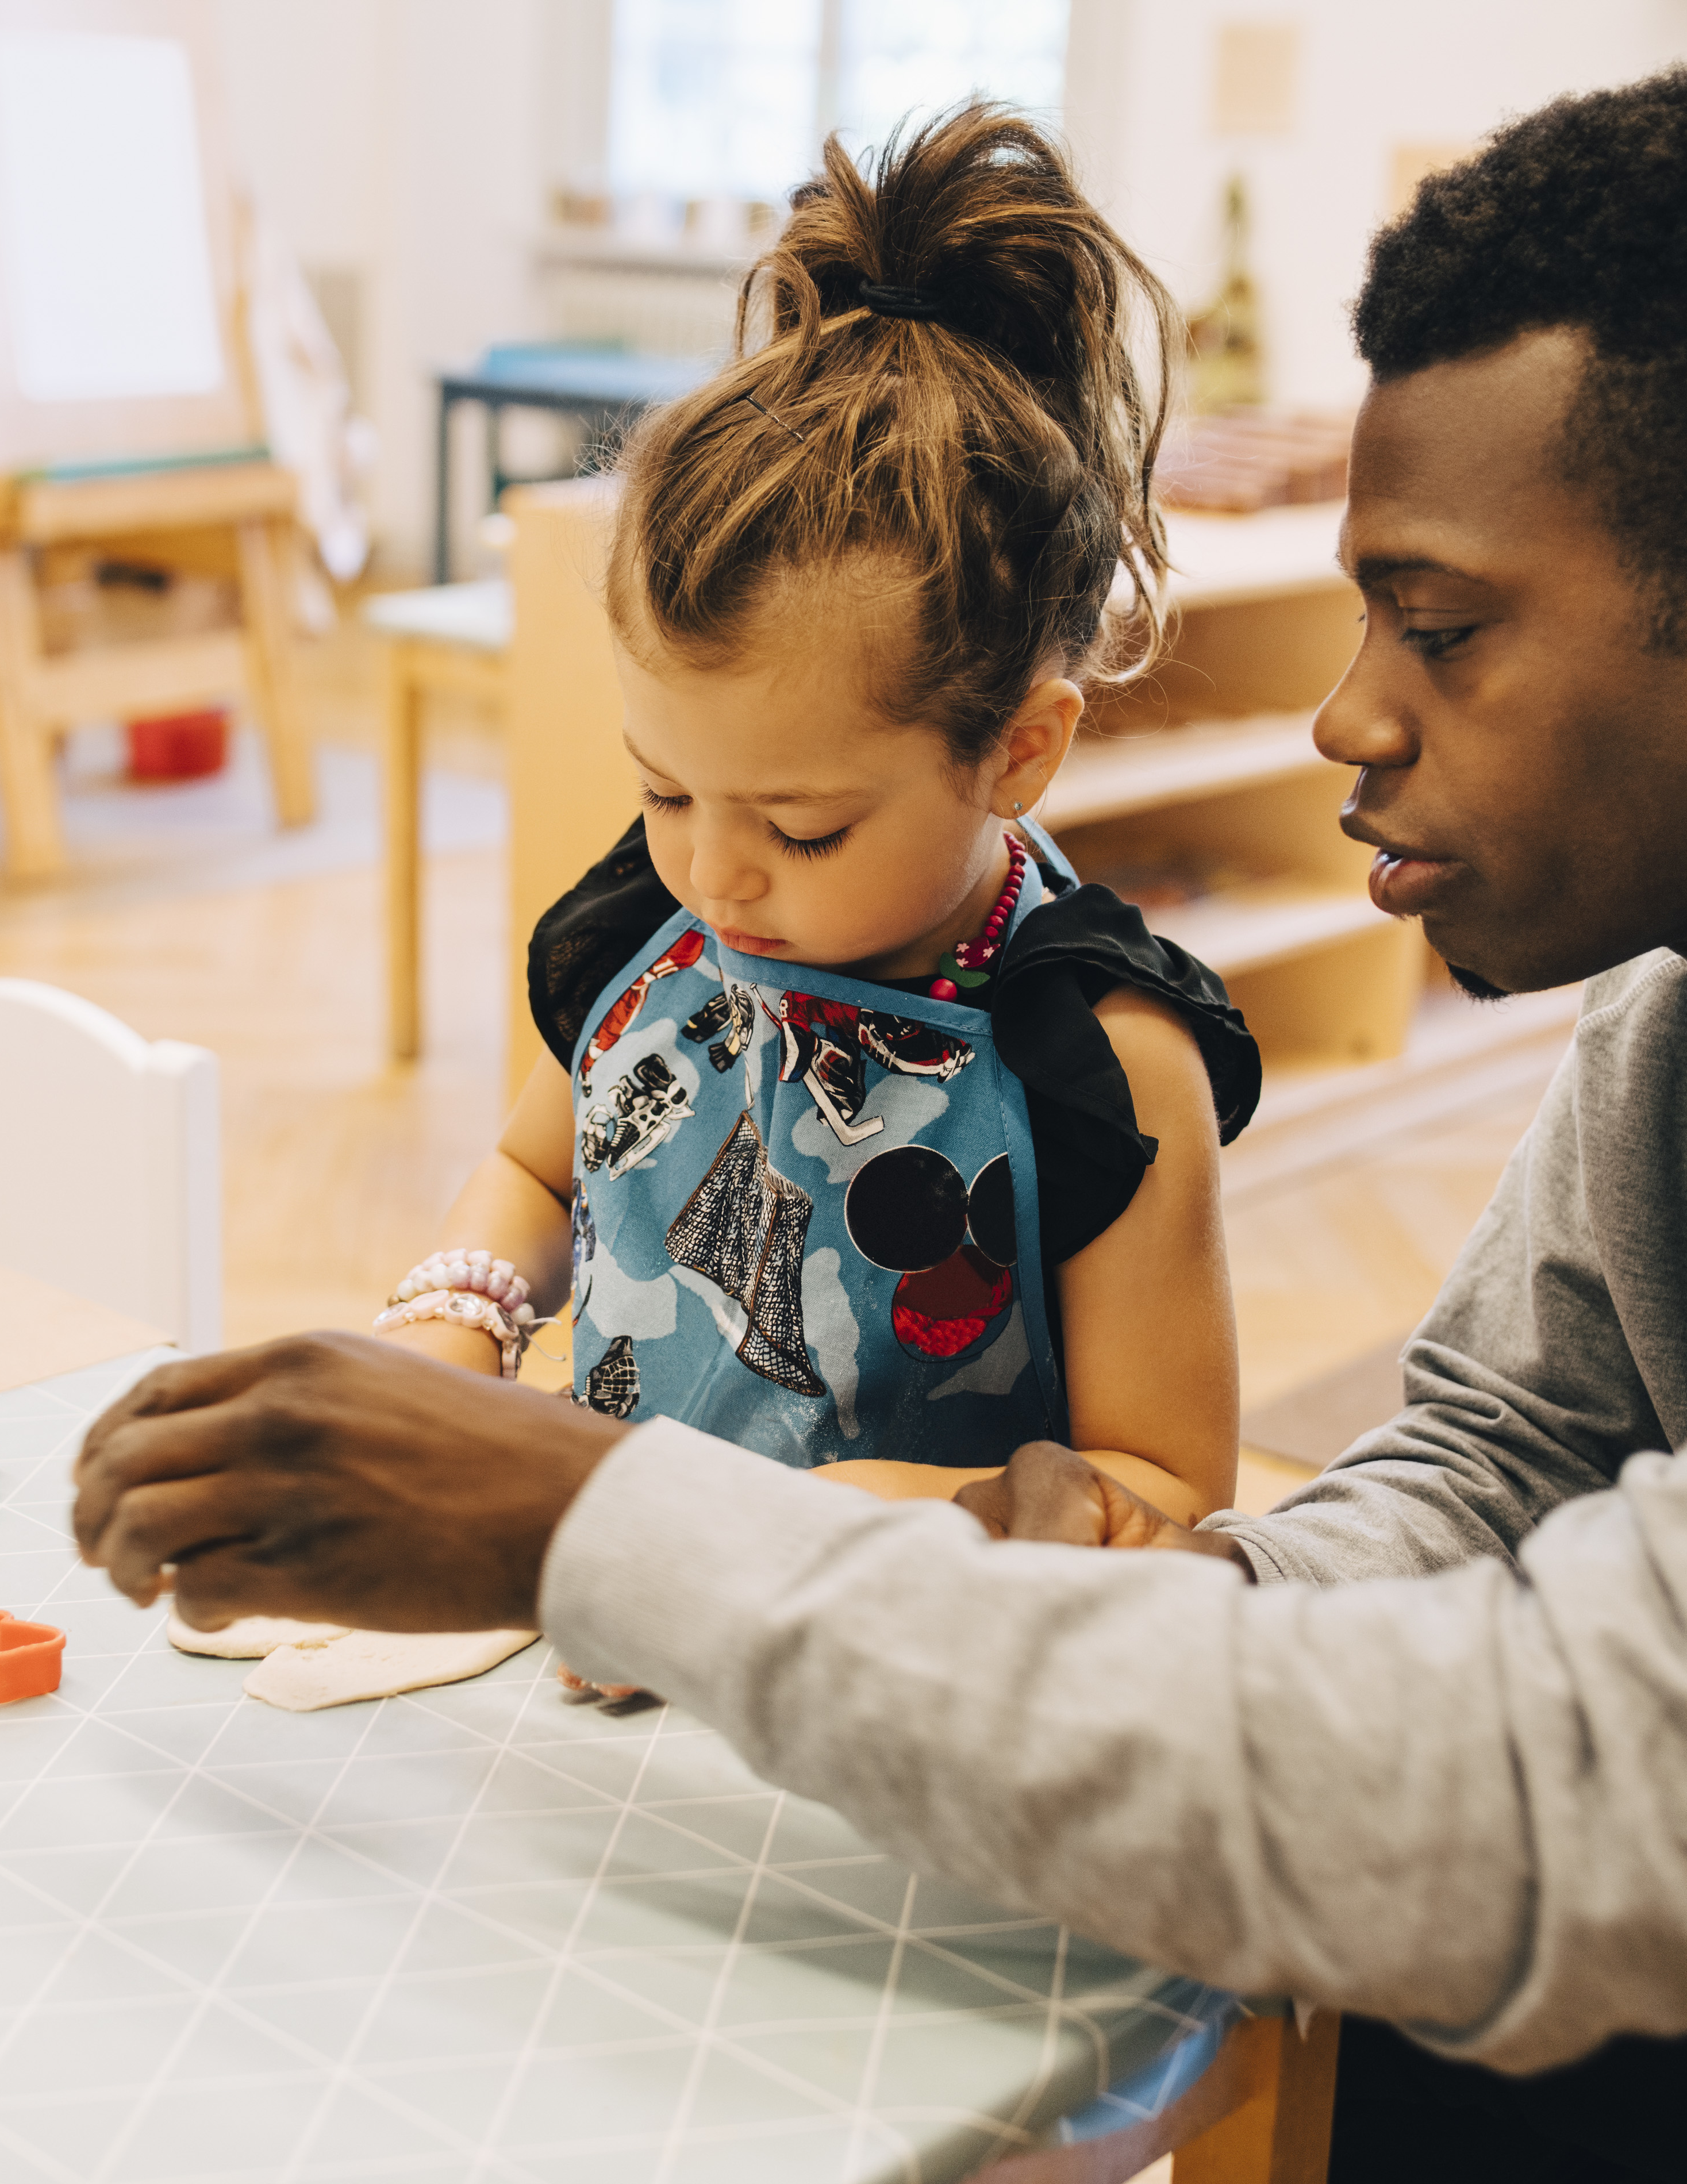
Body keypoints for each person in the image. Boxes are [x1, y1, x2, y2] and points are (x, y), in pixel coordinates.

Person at [71, 66, 1687, 2180]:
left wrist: (602, 1519)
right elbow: (1485, 1472)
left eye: (1438, 629)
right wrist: (1105, 1571)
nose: (1344, 713)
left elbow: (1577, 1790)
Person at [376, 106, 1259, 1539]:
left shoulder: (1105, 1065)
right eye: (664, 789)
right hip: (619, 1624)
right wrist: (456, 1314)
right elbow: (543, 1164)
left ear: (1018, 750)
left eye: (802, 827)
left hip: (901, 1691)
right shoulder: (652, 931)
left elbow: (1163, 1487)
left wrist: (849, 1524)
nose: (712, 871)